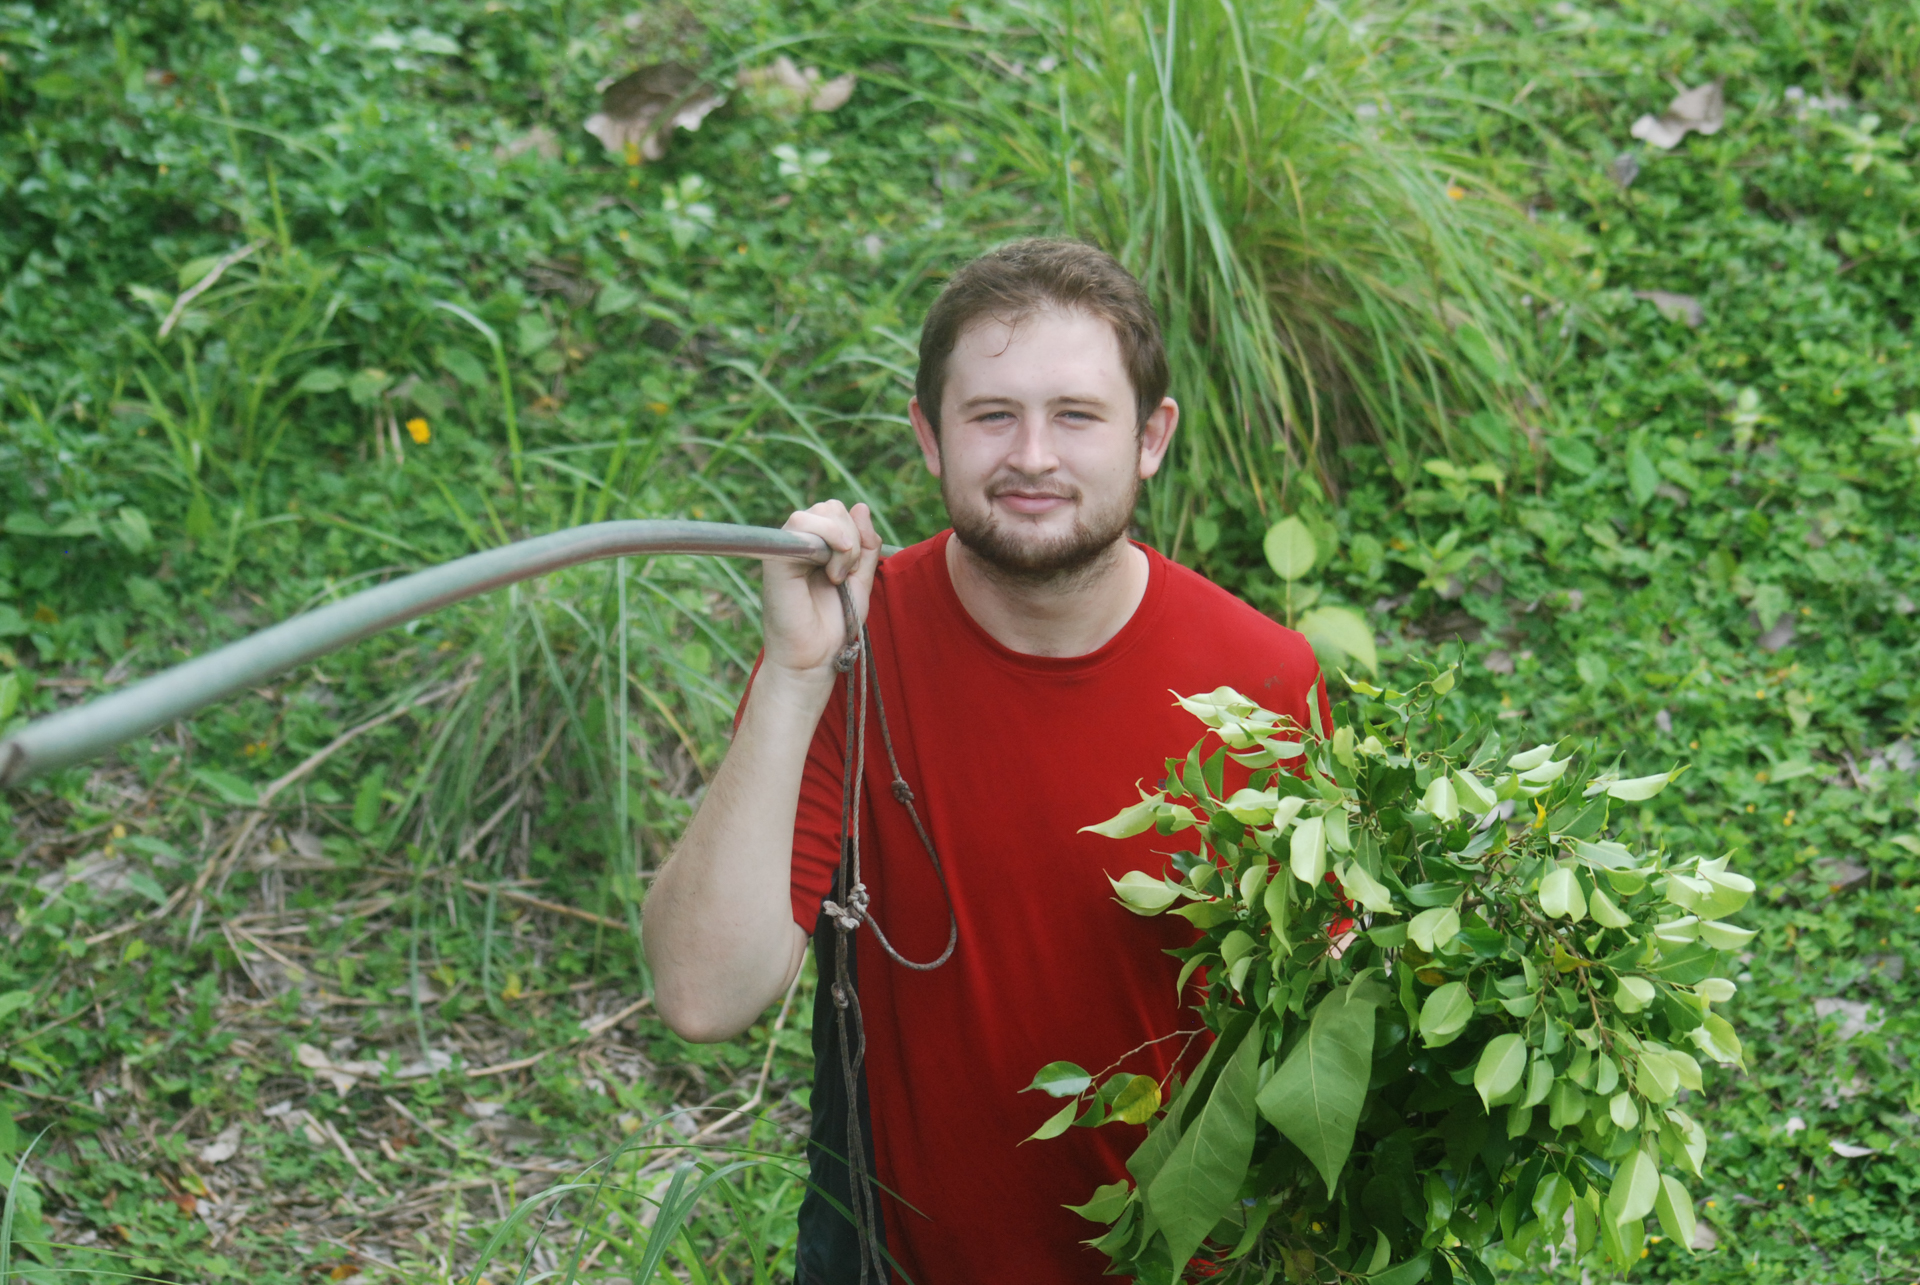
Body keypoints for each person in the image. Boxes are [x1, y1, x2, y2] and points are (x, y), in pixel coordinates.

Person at [643, 239, 1327, 1283]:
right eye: (993, 414)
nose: (1034, 456)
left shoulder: (1262, 683)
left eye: (1078, 415)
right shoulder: (852, 648)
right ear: (930, 436)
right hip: (899, 1260)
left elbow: (1320, 1014)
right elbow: (702, 994)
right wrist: (794, 673)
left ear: (1152, 437)